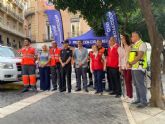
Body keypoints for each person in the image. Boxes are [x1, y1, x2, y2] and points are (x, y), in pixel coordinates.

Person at [127, 32, 148, 108]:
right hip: (134, 67)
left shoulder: (142, 44)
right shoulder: (135, 45)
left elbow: (139, 56)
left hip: (139, 67)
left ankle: (144, 102)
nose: (131, 38)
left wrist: (131, 63)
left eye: (132, 36)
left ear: (137, 37)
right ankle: (139, 99)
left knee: (140, 85)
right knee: (136, 84)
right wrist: (129, 62)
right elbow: (132, 56)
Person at [118, 34, 133, 102]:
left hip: (129, 66)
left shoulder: (130, 46)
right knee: (126, 81)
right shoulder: (120, 48)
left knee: (128, 81)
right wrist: (120, 66)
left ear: (126, 38)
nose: (122, 40)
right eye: (121, 38)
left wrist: (129, 63)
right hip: (123, 66)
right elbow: (120, 58)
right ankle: (127, 95)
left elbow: (131, 56)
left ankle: (130, 96)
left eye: (123, 38)